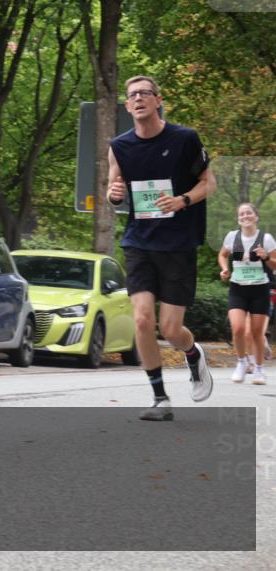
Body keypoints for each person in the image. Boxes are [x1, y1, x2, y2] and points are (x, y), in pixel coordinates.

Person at [107, 75, 218, 422]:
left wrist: (182, 200)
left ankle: (193, 353)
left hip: (179, 242)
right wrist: (114, 196)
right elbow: (115, 190)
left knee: (171, 329)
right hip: (139, 240)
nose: (138, 99)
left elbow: (208, 182)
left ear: (158, 100)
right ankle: (160, 398)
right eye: (132, 95)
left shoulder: (184, 139)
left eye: (145, 93)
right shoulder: (119, 147)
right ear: (127, 106)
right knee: (141, 319)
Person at [218, 202, 276, 385]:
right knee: (238, 328)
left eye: (248, 213)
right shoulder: (232, 237)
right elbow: (222, 255)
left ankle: (259, 369)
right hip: (238, 288)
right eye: (241, 214)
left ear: (256, 217)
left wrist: (266, 257)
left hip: (260, 289)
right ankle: (241, 363)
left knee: (257, 332)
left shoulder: (266, 239)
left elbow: (275, 264)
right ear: (238, 219)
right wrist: (225, 269)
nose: (245, 216)